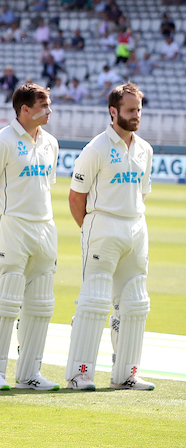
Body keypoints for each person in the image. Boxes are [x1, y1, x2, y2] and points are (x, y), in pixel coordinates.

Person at [0, 84, 60, 391]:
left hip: (44, 228)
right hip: (12, 228)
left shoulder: (50, 143)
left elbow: (44, 187)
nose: (49, 110)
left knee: (41, 303)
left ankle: (30, 373)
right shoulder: (2, 142)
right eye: (44, 105)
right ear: (24, 109)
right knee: (5, 299)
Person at [64, 83, 155, 391]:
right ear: (113, 111)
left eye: (139, 109)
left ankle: (126, 374)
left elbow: (141, 194)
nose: (136, 115)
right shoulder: (96, 148)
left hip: (135, 227)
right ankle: (80, 374)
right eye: (130, 110)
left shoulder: (145, 149)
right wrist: (91, 230)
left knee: (135, 302)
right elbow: (76, 197)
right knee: (94, 301)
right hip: (103, 225)